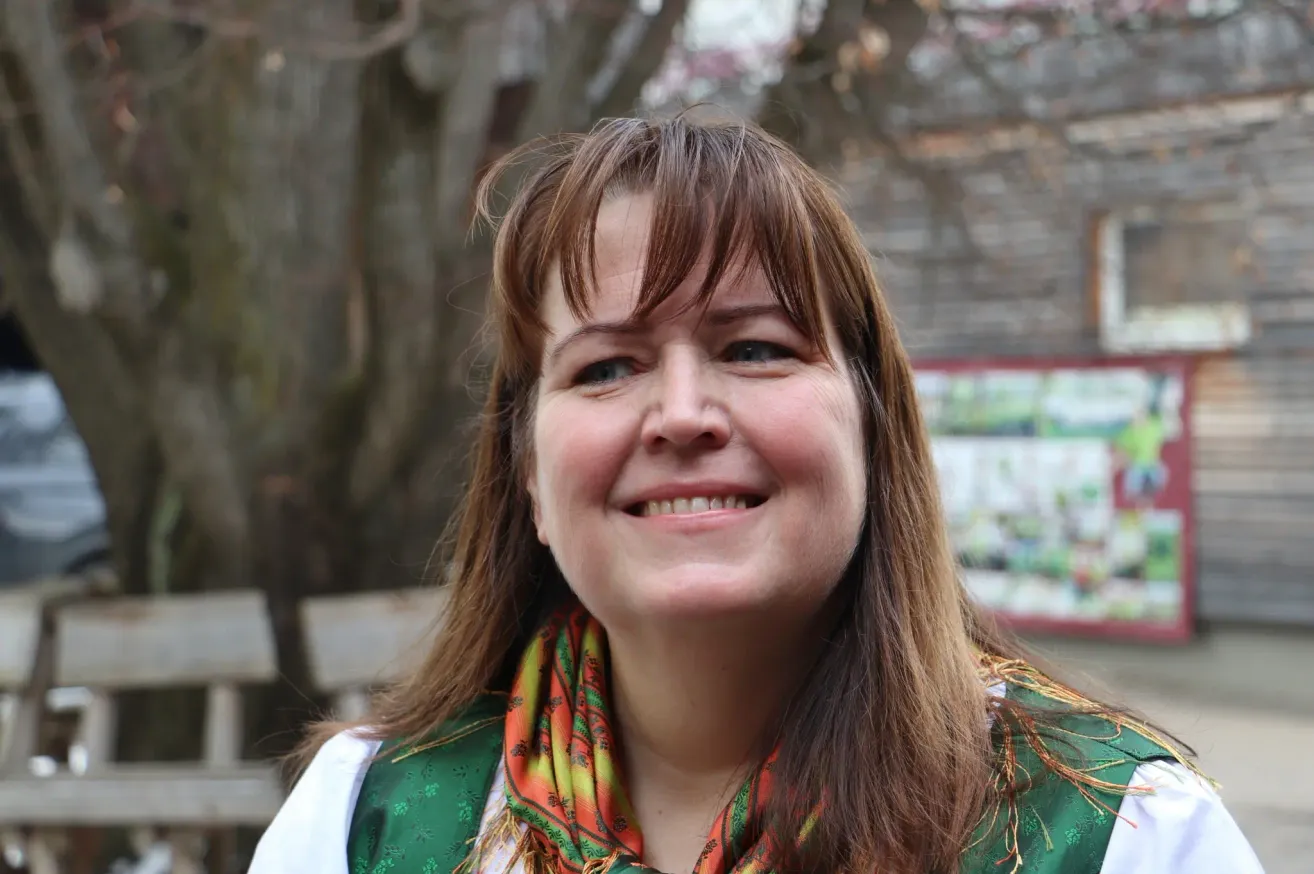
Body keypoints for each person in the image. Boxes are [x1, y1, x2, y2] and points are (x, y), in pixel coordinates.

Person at [249, 116, 1262, 874]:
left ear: (873, 428)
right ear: (529, 478)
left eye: (755, 349)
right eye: (607, 367)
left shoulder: (1118, 835)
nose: (682, 414)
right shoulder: (367, 825)